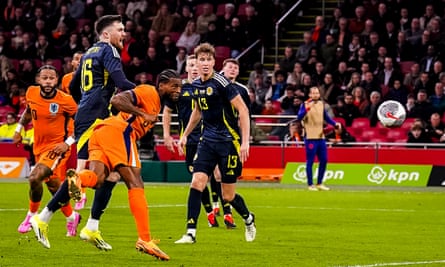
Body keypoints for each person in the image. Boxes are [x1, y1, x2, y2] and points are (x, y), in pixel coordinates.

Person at [28, 69, 180, 261]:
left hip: (103, 133)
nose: (178, 90)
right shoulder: (149, 92)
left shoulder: (157, 103)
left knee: (99, 179)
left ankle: (44, 218)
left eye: (180, 87)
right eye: (174, 86)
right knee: (135, 182)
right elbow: (116, 101)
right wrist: (141, 113)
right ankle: (145, 239)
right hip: (120, 133)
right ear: (162, 85)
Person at [175, 43, 256, 244]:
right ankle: (190, 232)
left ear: (213, 62)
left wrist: (245, 142)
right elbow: (198, 111)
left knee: (227, 196)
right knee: (197, 183)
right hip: (207, 141)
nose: (204, 64)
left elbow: (243, 111)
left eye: (208, 60)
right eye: (201, 60)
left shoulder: (222, 83)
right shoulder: (195, 85)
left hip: (228, 142)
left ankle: (248, 218)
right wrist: (185, 134)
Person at [68, 15, 136, 248]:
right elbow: (121, 81)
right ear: (106, 35)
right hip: (98, 115)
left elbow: (71, 86)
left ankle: (87, 222)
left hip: (85, 114)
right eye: (120, 29)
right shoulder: (109, 50)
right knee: (105, 171)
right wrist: (144, 94)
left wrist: (86, 101)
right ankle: (47, 215)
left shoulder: (88, 53)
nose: (124, 33)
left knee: (98, 169)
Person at [13, 65, 80, 237]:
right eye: (45, 78)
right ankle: (72, 217)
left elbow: (82, 123)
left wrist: (68, 143)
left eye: (52, 78)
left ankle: (31, 216)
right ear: (38, 80)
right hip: (39, 147)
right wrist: (19, 129)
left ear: (57, 80)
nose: (48, 81)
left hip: (57, 147)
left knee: (35, 177)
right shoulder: (31, 93)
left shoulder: (65, 100)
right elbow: (29, 112)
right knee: (53, 186)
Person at [162, 55, 221, 228]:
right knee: (197, 177)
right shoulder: (178, 89)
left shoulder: (209, 87)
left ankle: (221, 208)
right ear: (186, 68)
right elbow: (167, 112)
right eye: (191, 65)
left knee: (216, 173)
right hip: (189, 141)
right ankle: (210, 211)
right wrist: (167, 135)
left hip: (209, 138)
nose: (194, 68)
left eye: (197, 64)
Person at [297, 86, 341, 191]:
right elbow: (298, 117)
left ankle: (320, 183)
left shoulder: (321, 104)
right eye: (314, 93)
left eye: (317, 93)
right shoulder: (305, 105)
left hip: (320, 137)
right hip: (310, 137)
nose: (316, 95)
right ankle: (310, 184)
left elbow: (326, 117)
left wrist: (334, 124)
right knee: (310, 161)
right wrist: (307, 109)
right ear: (310, 95)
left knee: (324, 160)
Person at [60, 51, 87, 210]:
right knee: (69, 160)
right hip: (71, 123)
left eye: (82, 59)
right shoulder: (65, 79)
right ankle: (68, 192)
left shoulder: (92, 77)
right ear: (72, 63)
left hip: (86, 121)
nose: (78, 61)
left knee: (82, 160)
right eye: (76, 58)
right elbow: (62, 100)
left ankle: (81, 194)